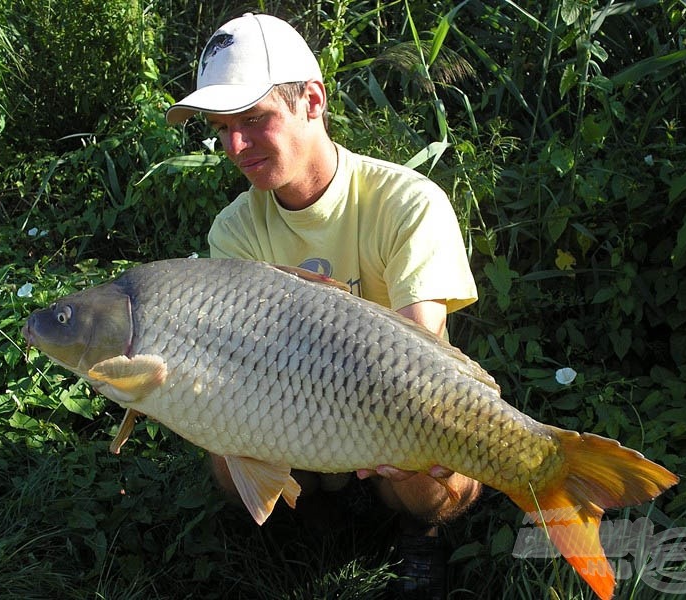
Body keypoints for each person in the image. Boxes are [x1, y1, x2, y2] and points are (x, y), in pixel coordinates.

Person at [166, 13, 481, 598]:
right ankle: (317, 526)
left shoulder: (407, 202)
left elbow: (421, 360)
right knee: (222, 451)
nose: (234, 146)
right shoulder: (233, 232)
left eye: (254, 120)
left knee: (441, 463)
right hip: (298, 420)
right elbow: (232, 370)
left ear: (312, 100)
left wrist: (394, 442)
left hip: (389, 414)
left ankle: (419, 533)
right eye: (220, 128)